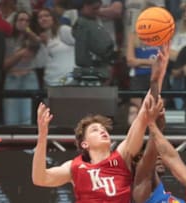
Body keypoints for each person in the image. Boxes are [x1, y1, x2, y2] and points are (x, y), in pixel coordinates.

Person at [32, 44, 170, 202]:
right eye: (95, 130)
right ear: (84, 144)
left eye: (103, 128)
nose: (102, 131)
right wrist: (42, 136)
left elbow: (143, 115)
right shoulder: (74, 167)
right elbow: (40, 178)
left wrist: (158, 78)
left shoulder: (122, 156)